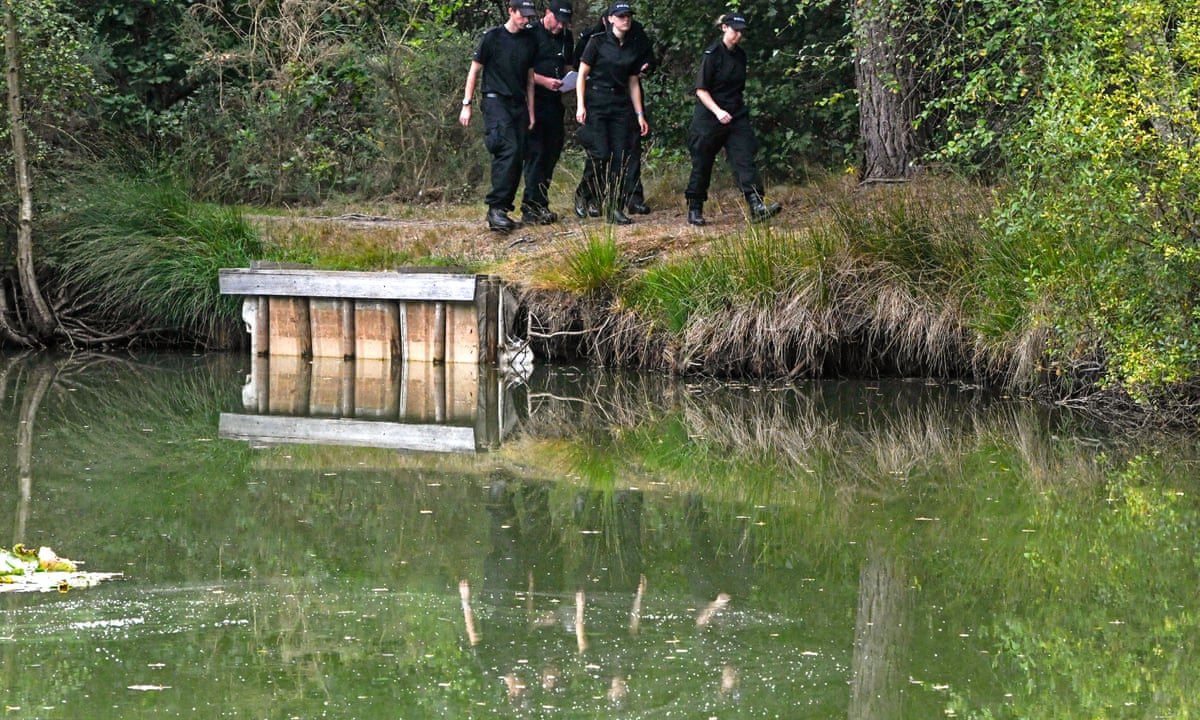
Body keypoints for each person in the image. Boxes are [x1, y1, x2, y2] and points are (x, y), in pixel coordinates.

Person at [683, 12, 782, 226]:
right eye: (735, 30)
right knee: (702, 163)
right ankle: (695, 207)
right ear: (724, 28)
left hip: (735, 114)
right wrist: (718, 111)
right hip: (710, 116)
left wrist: (732, 111)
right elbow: (701, 90)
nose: (738, 35)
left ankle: (756, 205)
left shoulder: (740, 55)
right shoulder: (712, 55)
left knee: (744, 158)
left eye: (741, 32)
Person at [459, 0, 539, 233]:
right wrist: (467, 103)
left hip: (518, 104)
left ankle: (503, 209)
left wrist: (531, 111)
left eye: (529, 16)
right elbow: (474, 70)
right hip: (495, 100)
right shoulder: (492, 37)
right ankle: (496, 208)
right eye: (522, 15)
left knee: (519, 153)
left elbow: (530, 79)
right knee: (507, 149)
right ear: (511, 12)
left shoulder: (530, 41)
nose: (526, 20)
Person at [573, 12, 655, 218]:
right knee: (600, 153)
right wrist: (580, 105)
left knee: (621, 156)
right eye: (620, 16)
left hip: (620, 103)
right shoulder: (597, 42)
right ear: (610, 19)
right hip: (597, 101)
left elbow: (633, 82)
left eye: (628, 16)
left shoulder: (632, 45)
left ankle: (614, 207)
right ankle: (584, 193)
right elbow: (581, 75)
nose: (625, 20)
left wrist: (639, 114)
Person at [520, 0, 576, 225]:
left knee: (551, 153)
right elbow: (521, 70)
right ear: (547, 13)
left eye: (565, 22)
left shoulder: (566, 37)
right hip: (533, 101)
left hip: (555, 102)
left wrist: (570, 81)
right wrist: (544, 81)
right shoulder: (531, 34)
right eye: (557, 21)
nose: (560, 26)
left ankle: (541, 202)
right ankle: (529, 206)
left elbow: (567, 66)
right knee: (536, 154)